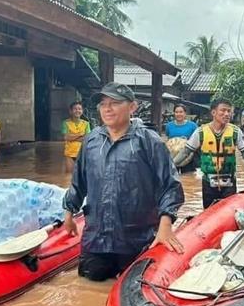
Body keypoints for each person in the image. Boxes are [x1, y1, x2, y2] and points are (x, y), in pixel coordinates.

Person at [63, 82, 185, 281]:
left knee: (135, 288)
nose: (107, 109)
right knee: (90, 283)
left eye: (115, 103)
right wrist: (69, 213)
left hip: (137, 239)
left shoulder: (148, 141)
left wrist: (165, 226)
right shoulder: (92, 140)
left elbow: (170, 185)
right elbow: (79, 181)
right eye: (103, 104)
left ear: (132, 107)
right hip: (97, 238)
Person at [173, 98, 244, 209]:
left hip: (229, 183)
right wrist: (170, 166)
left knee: (229, 213)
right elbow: (186, 152)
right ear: (213, 112)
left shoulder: (235, 131)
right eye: (223, 110)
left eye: (229, 111)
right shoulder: (201, 132)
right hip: (208, 183)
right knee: (208, 213)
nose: (226, 114)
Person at [62, 101, 91, 173]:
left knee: (82, 175)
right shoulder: (66, 123)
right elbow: (66, 138)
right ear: (70, 111)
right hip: (69, 154)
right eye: (75, 109)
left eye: (79, 109)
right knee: (68, 176)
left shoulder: (86, 124)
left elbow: (87, 138)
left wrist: (72, 137)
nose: (77, 111)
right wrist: (80, 134)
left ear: (82, 111)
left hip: (82, 154)